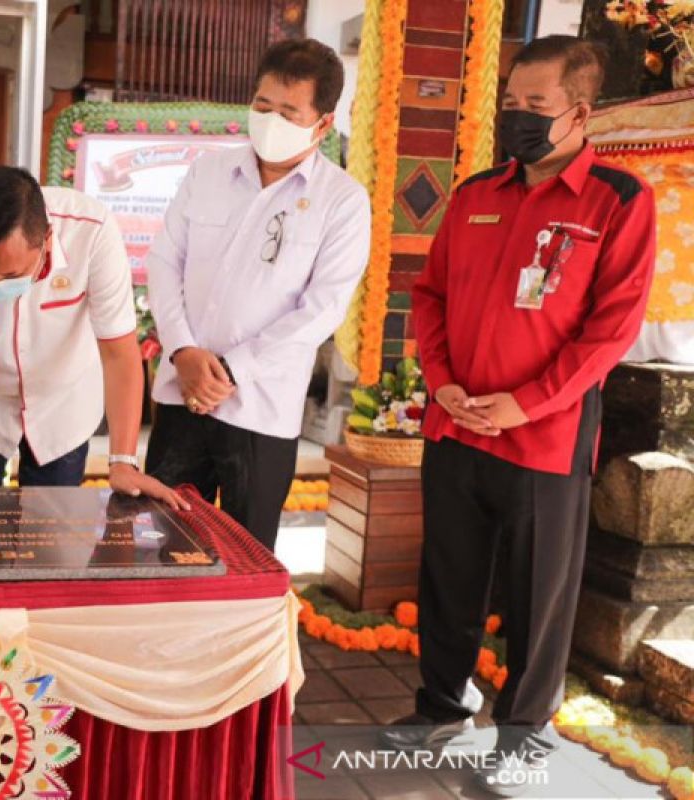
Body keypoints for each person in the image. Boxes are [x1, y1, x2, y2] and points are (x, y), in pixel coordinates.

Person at [380, 36, 656, 796]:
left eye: (535, 106)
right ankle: (437, 708)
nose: (518, 118)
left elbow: (613, 328)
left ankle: (521, 740)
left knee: (539, 600)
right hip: (456, 426)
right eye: (511, 102)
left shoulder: (619, 199)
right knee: (448, 580)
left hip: (545, 435)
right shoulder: (474, 193)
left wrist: (527, 402)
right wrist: (439, 383)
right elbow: (429, 295)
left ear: (579, 112)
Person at [144, 39, 371, 549]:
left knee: (246, 554)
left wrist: (230, 371)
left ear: (322, 124)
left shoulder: (343, 202)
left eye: (289, 112)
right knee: (162, 542)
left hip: (261, 409)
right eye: (262, 106)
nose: (270, 120)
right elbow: (163, 261)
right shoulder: (208, 173)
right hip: (183, 394)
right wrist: (182, 350)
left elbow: (322, 309)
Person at [0, 166, 186, 510]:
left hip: (62, 404)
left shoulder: (91, 233)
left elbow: (118, 352)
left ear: (47, 240)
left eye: (12, 274)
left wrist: (123, 460)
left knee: (54, 538)